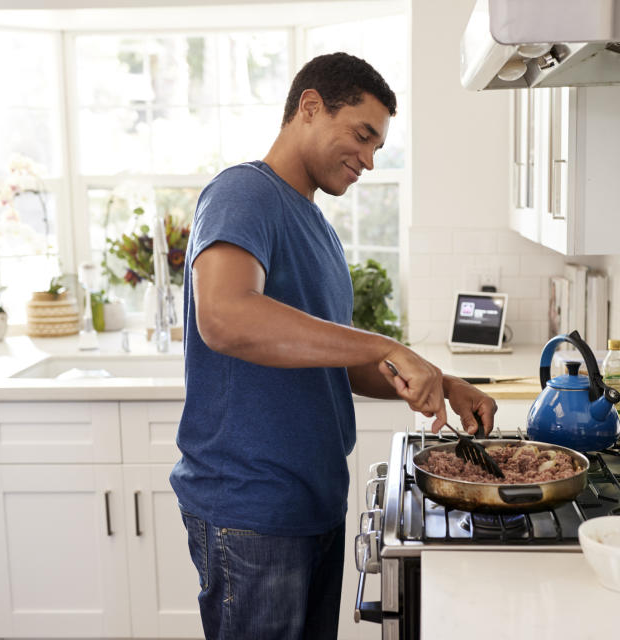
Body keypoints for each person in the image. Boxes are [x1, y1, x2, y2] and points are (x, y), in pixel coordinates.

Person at [170, 52, 497, 640]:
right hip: (252, 510)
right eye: (363, 135)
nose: (371, 160)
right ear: (311, 107)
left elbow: (334, 366)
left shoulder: (316, 225)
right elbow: (223, 315)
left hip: (312, 500)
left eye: (379, 146)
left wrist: (437, 382)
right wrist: (386, 343)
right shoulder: (244, 193)